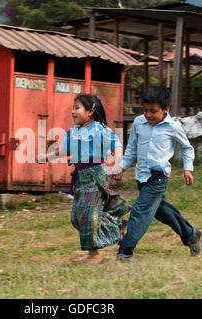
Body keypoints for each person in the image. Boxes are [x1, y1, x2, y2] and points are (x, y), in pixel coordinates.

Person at [115, 86, 201, 261]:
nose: (148, 115)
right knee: (162, 211)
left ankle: (125, 252)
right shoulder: (139, 123)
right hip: (142, 177)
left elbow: (186, 147)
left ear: (165, 109)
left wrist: (187, 168)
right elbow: (131, 148)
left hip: (158, 177)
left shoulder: (173, 127)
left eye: (153, 111)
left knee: (139, 212)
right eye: (145, 110)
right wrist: (122, 167)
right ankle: (191, 234)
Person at [59, 94, 131, 264]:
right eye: (73, 108)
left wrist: (118, 165)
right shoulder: (73, 132)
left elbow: (118, 146)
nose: (73, 112)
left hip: (95, 174)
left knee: (87, 214)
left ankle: (94, 255)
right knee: (76, 217)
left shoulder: (100, 130)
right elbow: (62, 151)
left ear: (90, 112)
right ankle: (117, 226)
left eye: (77, 108)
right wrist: (44, 155)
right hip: (80, 177)